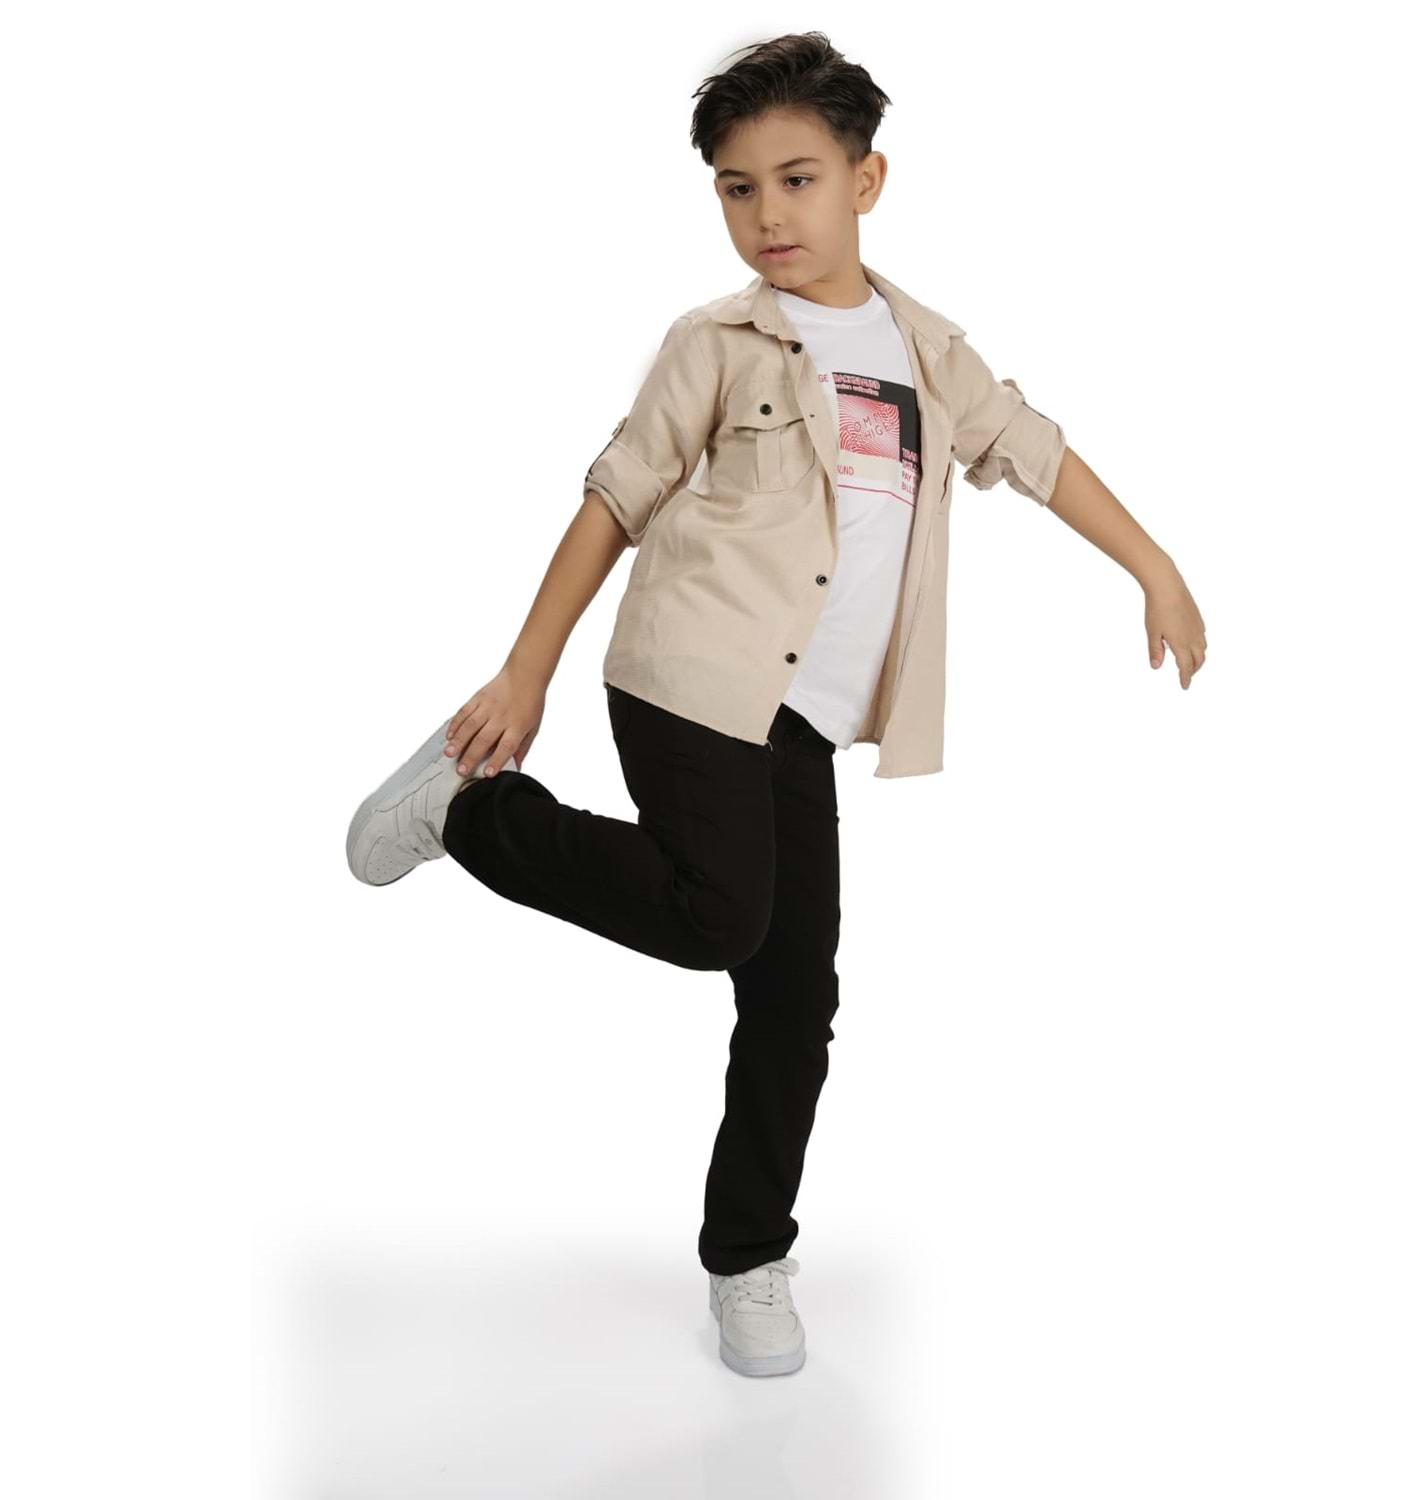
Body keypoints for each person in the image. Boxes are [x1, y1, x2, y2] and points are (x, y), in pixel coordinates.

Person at [345, 31, 1208, 1379]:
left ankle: (747, 1257)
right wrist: (526, 670)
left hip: (800, 720)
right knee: (721, 920)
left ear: (867, 181)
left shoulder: (928, 351)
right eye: (737, 189)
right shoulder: (715, 341)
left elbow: (1035, 454)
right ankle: (472, 817)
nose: (768, 215)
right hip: (688, 672)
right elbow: (617, 499)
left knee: (795, 995)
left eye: (797, 180)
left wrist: (1154, 567)